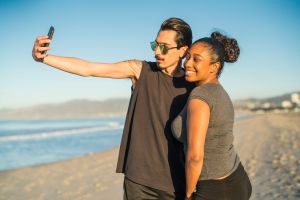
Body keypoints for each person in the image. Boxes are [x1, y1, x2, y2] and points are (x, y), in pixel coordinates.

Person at [32, 18, 194, 199]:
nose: (157, 51)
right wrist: (44, 58)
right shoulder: (141, 70)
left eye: (164, 47)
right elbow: (88, 68)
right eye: (154, 45)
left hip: (175, 182)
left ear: (183, 51)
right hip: (138, 181)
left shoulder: (193, 87)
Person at [172, 31, 252, 200]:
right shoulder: (220, 92)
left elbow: (195, 156)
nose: (187, 63)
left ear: (214, 67)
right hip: (237, 177)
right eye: (188, 57)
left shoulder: (200, 96)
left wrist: (188, 194)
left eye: (196, 59)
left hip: (213, 189)